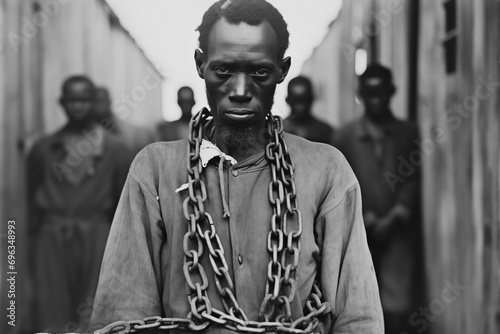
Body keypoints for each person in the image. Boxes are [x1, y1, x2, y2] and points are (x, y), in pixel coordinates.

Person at [89, 1, 383, 333]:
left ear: (282, 70)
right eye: (224, 71)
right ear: (200, 65)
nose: (240, 91)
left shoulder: (327, 171)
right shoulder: (155, 171)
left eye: (259, 73)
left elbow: (357, 316)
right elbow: (124, 310)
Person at [27, 75, 130, 332]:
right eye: (72, 100)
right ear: (62, 102)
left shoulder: (117, 150)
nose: (78, 106)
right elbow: (31, 203)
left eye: (84, 99)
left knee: (94, 308)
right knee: (52, 309)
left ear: (95, 102)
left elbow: (122, 205)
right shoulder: (43, 149)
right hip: (52, 239)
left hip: (97, 236)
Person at [333, 63, 423, 334]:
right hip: (359, 230)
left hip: (398, 231)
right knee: (359, 301)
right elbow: (341, 183)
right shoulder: (344, 137)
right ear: (361, 93)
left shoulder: (408, 132)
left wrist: (398, 214)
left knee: (397, 307)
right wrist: (365, 215)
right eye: (369, 93)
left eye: (381, 93)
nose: (376, 99)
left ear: (392, 92)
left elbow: (414, 177)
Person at [94, 87, 158, 157]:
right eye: (95, 102)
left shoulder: (135, 133)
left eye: (101, 101)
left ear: (109, 102)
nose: (98, 107)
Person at [283, 76, 335, 144]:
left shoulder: (325, 132)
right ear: (288, 100)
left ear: (311, 99)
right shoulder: (279, 131)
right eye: (295, 101)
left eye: (304, 100)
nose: (300, 106)